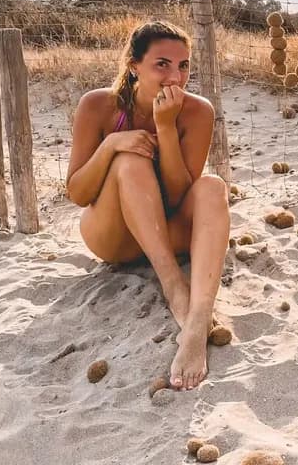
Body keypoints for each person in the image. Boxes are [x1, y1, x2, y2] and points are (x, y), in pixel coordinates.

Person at [66, 20, 230, 391]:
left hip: (166, 230)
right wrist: (111, 145)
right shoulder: (98, 105)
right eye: (162, 64)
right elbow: (78, 193)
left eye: (183, 66)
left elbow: (177, 196)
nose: (175, 77)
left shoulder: (198, 112)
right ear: (134, 65)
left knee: (212, 187)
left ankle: (198, 317)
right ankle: (174, 286)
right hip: (115, 237)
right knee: (130, 160)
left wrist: (166, 128)